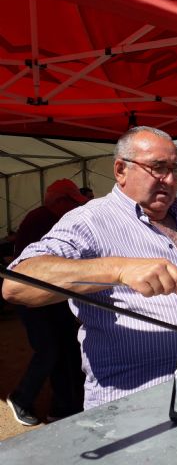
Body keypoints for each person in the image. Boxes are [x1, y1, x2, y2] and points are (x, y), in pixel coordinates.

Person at [2, 126, 177, 410]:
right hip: (136, 402)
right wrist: (119, 269)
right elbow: (17, 284)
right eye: (158, 168)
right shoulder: (90, 220)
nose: (170, 179)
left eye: (175, 169)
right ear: (120, 170)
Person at [6, 180, 88, 426]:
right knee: (50, 350)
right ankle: (22, 397)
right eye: (74, 203)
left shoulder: (47, 218)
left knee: (65, 350)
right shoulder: (42, 220)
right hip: (35, 301)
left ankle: (64, 406)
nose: (76, 209)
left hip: (51, 300)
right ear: (61, 201)